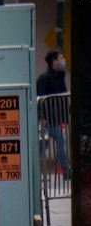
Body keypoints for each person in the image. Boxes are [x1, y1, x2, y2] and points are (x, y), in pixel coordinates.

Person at [36, 50, 70, 180]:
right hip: (47, 120)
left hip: (56, 118)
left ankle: (66, 172)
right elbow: (40, 98)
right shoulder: (44, 78)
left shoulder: (60, 76)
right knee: (43, 147)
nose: (63, 60)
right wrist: (42, 118)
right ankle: (37, 173)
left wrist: (65, 118)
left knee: (60, 144)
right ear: (54, 62)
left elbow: (62, 99)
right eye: (60, 58)